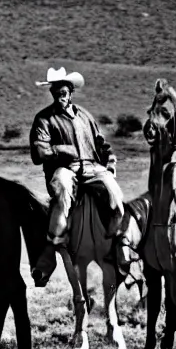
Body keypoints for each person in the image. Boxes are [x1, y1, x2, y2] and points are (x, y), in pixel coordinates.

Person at [29, 67, 125, 268]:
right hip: (64, 169)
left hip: (93, 167)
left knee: (115, 195)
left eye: (63, 93)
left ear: (71, 92)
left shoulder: (85, 116)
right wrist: (61, 149)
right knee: (63, 187)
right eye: (55, 93)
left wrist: (110, 160)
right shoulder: (44, 118)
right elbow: (39, 154)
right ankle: (56, 241)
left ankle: (116, 243)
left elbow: (101, 144)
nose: (60, 97)